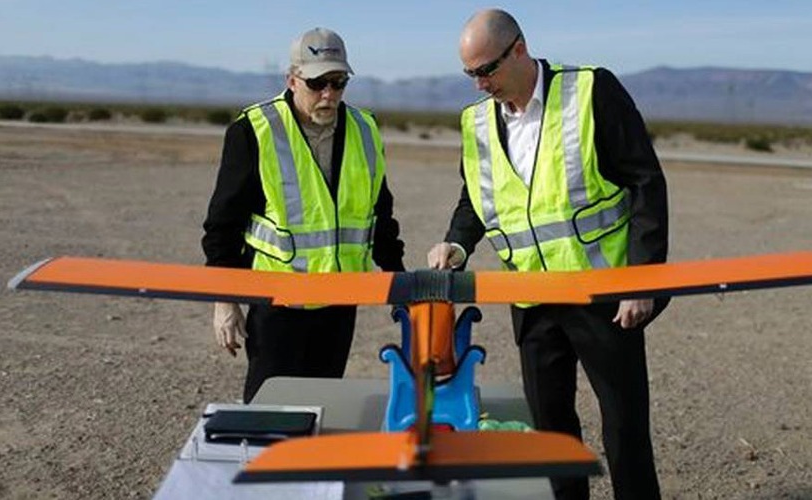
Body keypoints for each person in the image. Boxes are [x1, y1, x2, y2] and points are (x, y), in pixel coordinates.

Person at [427, 9, 669, 500]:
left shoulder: (590, 91)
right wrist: (456, 241)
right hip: (531, 300)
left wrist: (642, 280)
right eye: (469, 74)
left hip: (603, 297)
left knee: (623, 427)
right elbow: (476, 196)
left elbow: (645, 182)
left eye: (486, 70)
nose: (478, 85)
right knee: (551, 431)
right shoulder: (475, 122)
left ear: (518, 49)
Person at [203, 27, 405, 404]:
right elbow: (222, 226)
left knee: (322, 404)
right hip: (279, 305)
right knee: (270, 408)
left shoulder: (365, 129)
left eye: (338, 82)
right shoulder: (255, 130)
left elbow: (381, 215)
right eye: (317, 83)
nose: (329, 94)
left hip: (339, 303)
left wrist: (399, 281)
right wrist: (224, 302)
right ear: (292, 79)